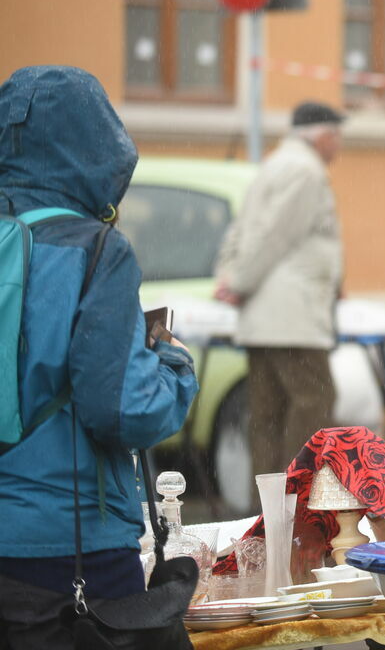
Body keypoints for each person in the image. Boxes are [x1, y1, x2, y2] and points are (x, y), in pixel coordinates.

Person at [0, 66, 198, 647]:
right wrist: (175, 368)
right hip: (69, 548)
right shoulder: (95, 250)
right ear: (99, 146)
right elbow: (124, 411)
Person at [215, 102, 345, 478]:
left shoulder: (272, 165)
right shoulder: (306, 171)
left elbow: (242, 229)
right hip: (293, 317)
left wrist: (228, 276)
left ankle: (266, 515)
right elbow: (276, 235)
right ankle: (298, 506)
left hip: (265, 317)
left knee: (267, 413)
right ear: (322, 135)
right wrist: (239, 282)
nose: (338, 148)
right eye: (336, 138)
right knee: (313, 403)